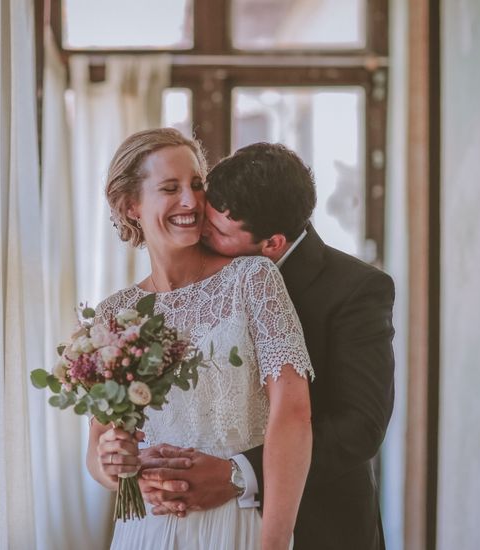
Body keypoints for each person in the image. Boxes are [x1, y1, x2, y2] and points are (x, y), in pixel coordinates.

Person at [137, 143, 395, 550]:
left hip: (319, 524)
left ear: (272, 244)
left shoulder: (356, 289)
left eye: (217, 231)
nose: (201, 232)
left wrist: (237, 473)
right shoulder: (194, 279)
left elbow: (361, 427)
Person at [86, 129, 314, 550]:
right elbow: (99, 448)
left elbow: (294, 415)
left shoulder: (252, 279)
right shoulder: (113, 314)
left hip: (236, 525)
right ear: (130, 206)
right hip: (146, 531)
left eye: (196, 184)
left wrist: (275, 543)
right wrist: (112, 466)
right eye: (170, 188)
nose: (191, 202)